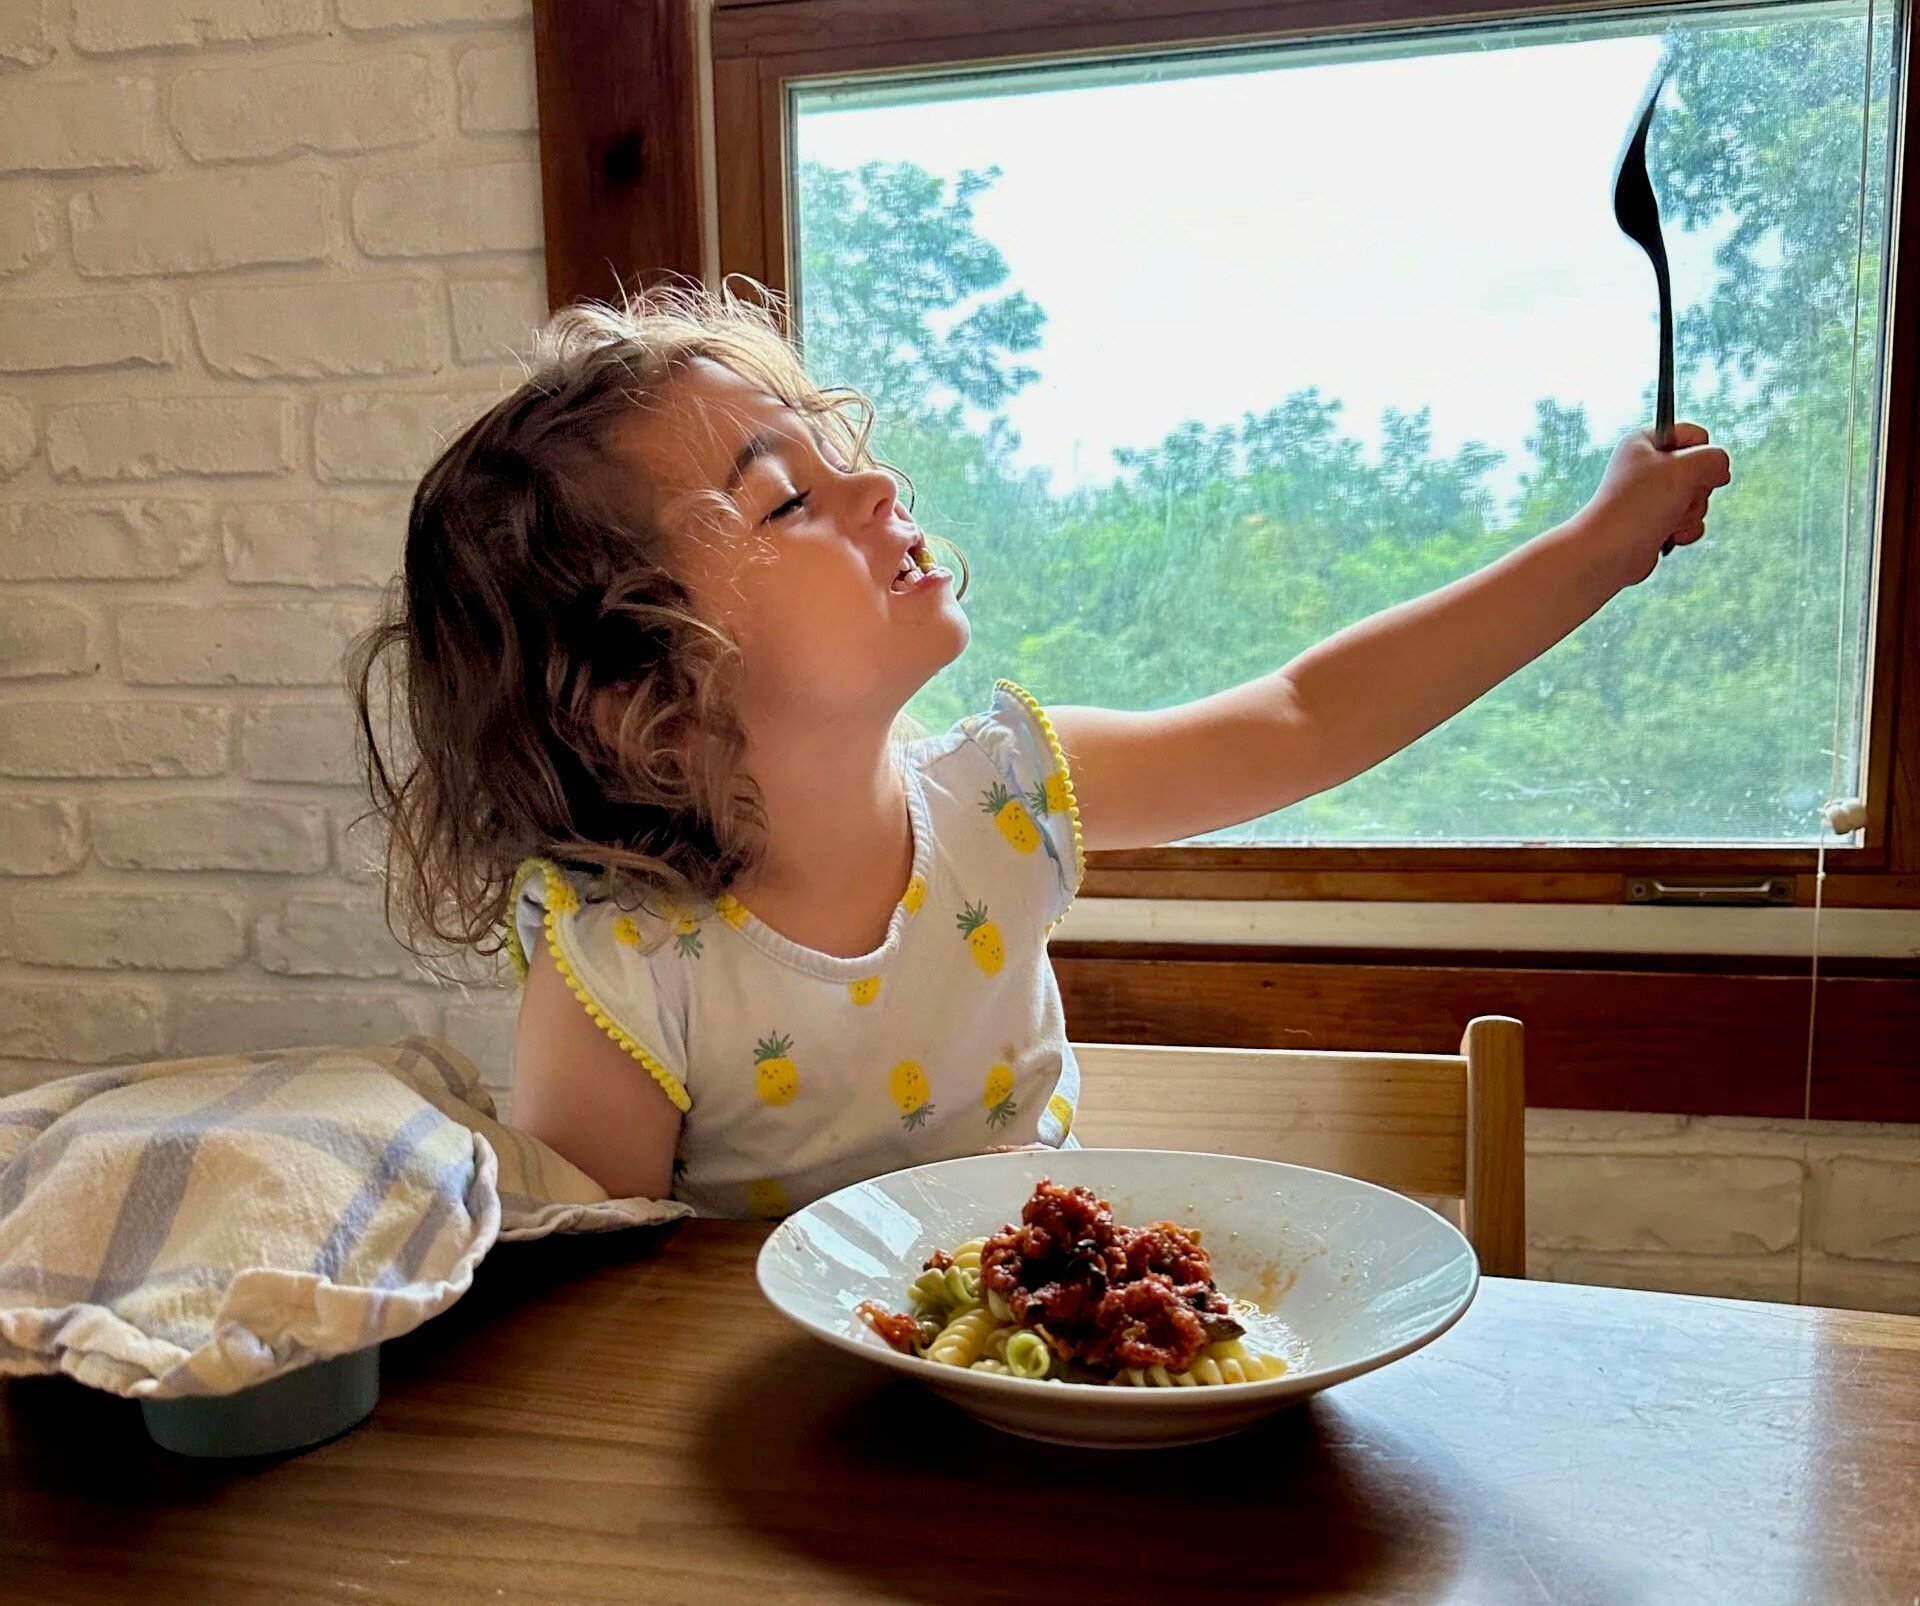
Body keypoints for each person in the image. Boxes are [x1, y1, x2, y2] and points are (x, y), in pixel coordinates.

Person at [351, 279, 1730, 1216]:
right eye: (788, 500)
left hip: (1046, 1394)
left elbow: (1313, 711)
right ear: (644, 694)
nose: (881, 486)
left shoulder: (1008, 799)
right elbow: (606, 1326)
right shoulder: (624, 969)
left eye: (840, 457)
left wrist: (1594, 549)